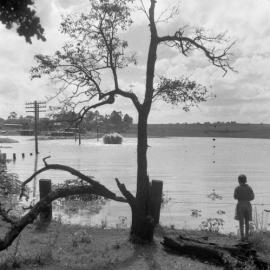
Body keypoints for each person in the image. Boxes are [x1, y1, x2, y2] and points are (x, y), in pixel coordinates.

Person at [234, 174, 255, 241]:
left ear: (239, 180)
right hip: (248, 205)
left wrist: (240, 197)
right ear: (245, 180)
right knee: (247, 221)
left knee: (241, 222)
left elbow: (235, 197)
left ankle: (242, 237)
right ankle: (247, 237)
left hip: (240, 205)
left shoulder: (237, 188)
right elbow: (252, 197)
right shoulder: (249, 187)